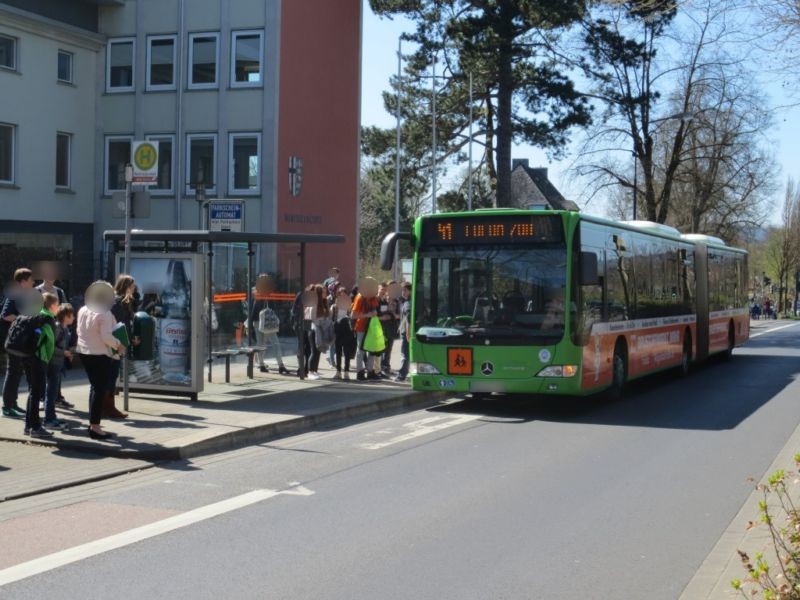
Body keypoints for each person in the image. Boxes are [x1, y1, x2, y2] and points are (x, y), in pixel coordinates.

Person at [76, 281, 125, 440]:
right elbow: (106, 337)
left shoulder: (83, 309)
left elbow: (78, 331)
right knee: (99, 388)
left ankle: (92, 422)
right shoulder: (104, 312)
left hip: (84, 352)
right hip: (99, 354)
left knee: (94, 387)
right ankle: (95, 427)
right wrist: (119, 345)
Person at [1, 267, 35, 418]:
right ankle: (7, 407)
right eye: (31, 279)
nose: (33, 282)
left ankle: (13, 404)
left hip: (21, 341)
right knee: (12, 372)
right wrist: (23, 320)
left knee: (17, 373)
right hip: (14, 341)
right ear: (23, 281)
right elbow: (5, 315)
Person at [24, 292, 58, 437]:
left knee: (33, 392)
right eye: (57, 305)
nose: (58, 307)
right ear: (51, 305)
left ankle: (28, 426)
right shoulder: (47, 318)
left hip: (26, 357)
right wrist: (47, 358)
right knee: (37, 393)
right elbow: (49, 342)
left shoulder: (34, 314)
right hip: (39, 358)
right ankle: (36, 428)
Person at [107, 274, 139, 419]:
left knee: (112, 375)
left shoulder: (122, 301)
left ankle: (108, 407)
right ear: (126, 287)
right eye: (132, 286)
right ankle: (109, 408)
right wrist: (124, 342)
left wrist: (130, 338)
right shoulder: (118, 302)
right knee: (111, 375)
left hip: (118, 342)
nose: (134, 288)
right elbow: (119, 325)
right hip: (115, 344)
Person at [44, 302, 75, 430]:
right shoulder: (57, 328)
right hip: (53, 363)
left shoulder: (65, 328)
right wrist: (64, 352)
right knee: (51, 393)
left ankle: (52, 417)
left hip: (58, 363)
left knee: (53, 392)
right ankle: (49, 420)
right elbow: (50, 347)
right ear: (66, 316)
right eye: (72, 315)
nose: (74, 317)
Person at [250, 274, 289, 375]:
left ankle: (270, 365)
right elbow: (257, 307)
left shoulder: (262, 291)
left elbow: (255, 308)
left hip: (261, 320)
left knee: (264, 343)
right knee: (268, 343)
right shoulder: (259, 291)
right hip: (262, 320)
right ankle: (272, 365)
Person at [351, 277, 380, 381]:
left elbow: (375, 311)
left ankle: (370, 371)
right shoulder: (360, 297)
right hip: (361, 327)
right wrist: (368, 315)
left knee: (372, 349)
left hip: (372, 328)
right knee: (361, 350)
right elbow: (353, 315)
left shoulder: (374, 298)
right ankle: (360, 372)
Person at [306, 284, 330, 380]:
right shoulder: (314, 303)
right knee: (314, 351)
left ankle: (315, 370)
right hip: (314, 330)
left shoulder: (324, 302)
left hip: (321, 329)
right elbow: (312, 317)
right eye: (324, 292)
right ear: (319, 293)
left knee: (319, 351)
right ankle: (310, 372)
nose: (326, 293)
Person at [332, 286, 356, 379]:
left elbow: (352, 316)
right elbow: (332, 317)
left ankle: (346, 372)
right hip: (338, 328)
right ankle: (338, 371)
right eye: (340, 294)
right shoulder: (335, 306)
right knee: (338, 351)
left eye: (344, 294)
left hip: (347, 328)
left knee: (347, 351)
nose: (342, 296)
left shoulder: (350, 304)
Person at [378, 281, 400, 377]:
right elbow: (379, 314)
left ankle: (386, 367)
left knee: (389, 349)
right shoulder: (382, 300)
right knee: (382, 348)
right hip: (382, 327)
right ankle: (381, 368)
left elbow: (399, 315)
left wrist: (392, 316)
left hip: (392, 327)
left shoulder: (396, 301)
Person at [393, 281, 412, 382]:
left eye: (405, 290)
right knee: (406, 354)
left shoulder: (408, 303)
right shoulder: (407, 302)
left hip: (406, 333)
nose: (403, 292)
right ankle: (405, 372)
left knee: (404, 354)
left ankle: (401, 375)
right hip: (405, 331)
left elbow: (409, 319)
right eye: (402, 290)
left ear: (410, 291)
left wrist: (408, 333)